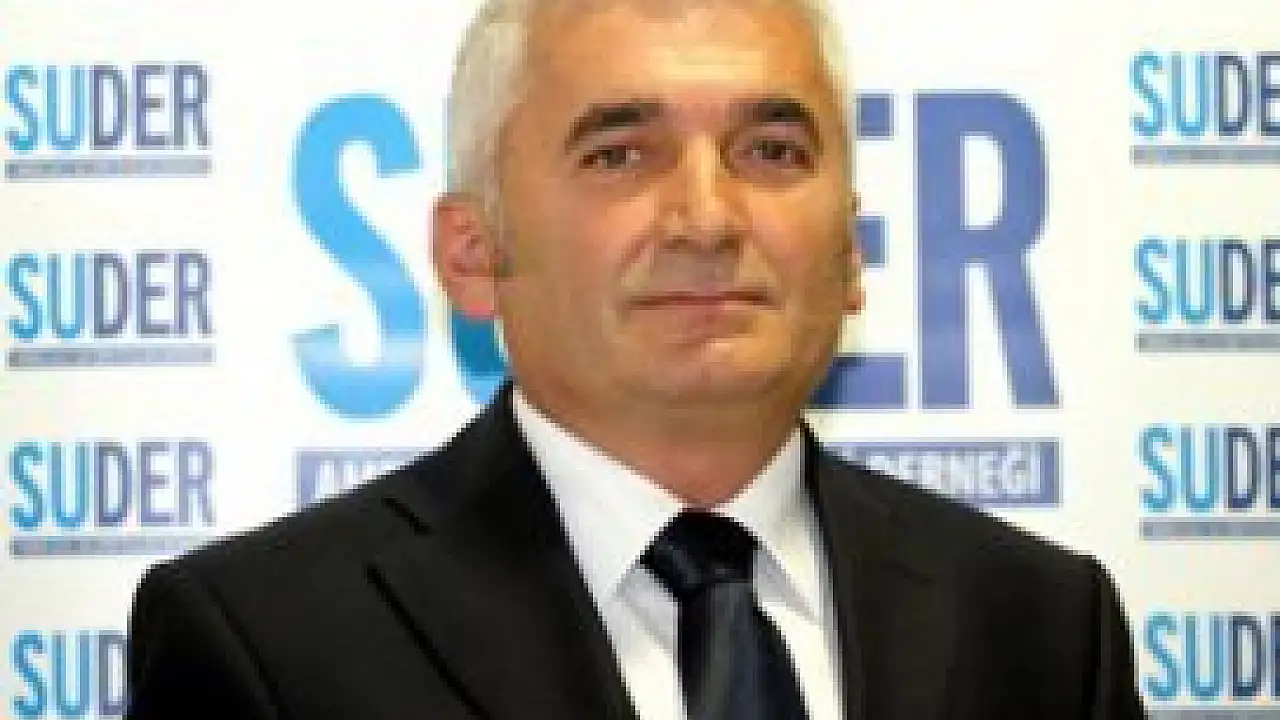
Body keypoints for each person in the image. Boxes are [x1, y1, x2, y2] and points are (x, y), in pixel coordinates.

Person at [124, 0, 1148, 717]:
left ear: (850, 248)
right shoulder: (271, 645)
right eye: (619, 154)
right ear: (471, 254)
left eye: (771, 152)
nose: (707, 218)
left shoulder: (1045, 629)